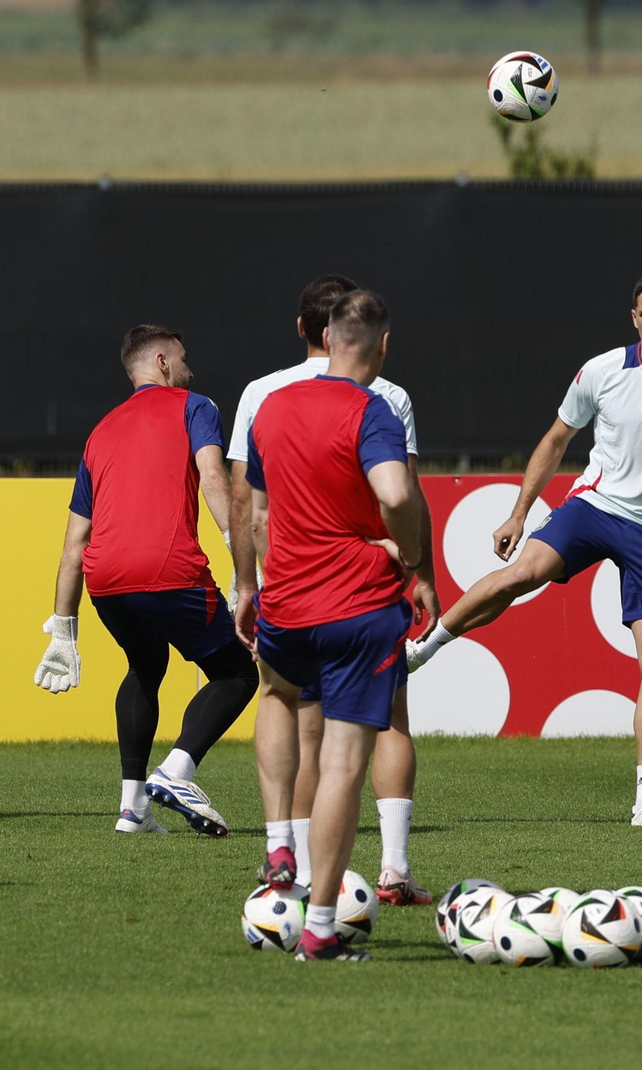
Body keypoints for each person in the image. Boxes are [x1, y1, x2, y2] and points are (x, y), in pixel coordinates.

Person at [406, 272, 642, 828]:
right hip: (595, 507)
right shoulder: (602, 370)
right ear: (633, 317)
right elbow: (557, 439)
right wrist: (519, 512)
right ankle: (424, 648)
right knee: (522, 573)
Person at [227, 274, 440, 906]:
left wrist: (257, 582)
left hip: (286, 599)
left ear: (321, 336)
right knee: (349, 757)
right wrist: (409, 555)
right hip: (357, 603)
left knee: (276, 695)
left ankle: (277, 843)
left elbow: (255, 510)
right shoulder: (376, 406)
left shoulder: (270, 405)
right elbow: (399, 493)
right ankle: (327, 918)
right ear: (382, 344)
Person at [35, 325, 257, 836]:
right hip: (168, 570)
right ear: (161, 362)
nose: (190, 369)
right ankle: (177, 772)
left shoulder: (101, 430)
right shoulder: (194, 406)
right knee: (238, 671)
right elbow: (214, 478)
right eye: (183, 358)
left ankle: (132, 809)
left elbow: (75, 545)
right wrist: (241, 554)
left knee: (145, 663)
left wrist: (64, 629)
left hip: (105, 580)